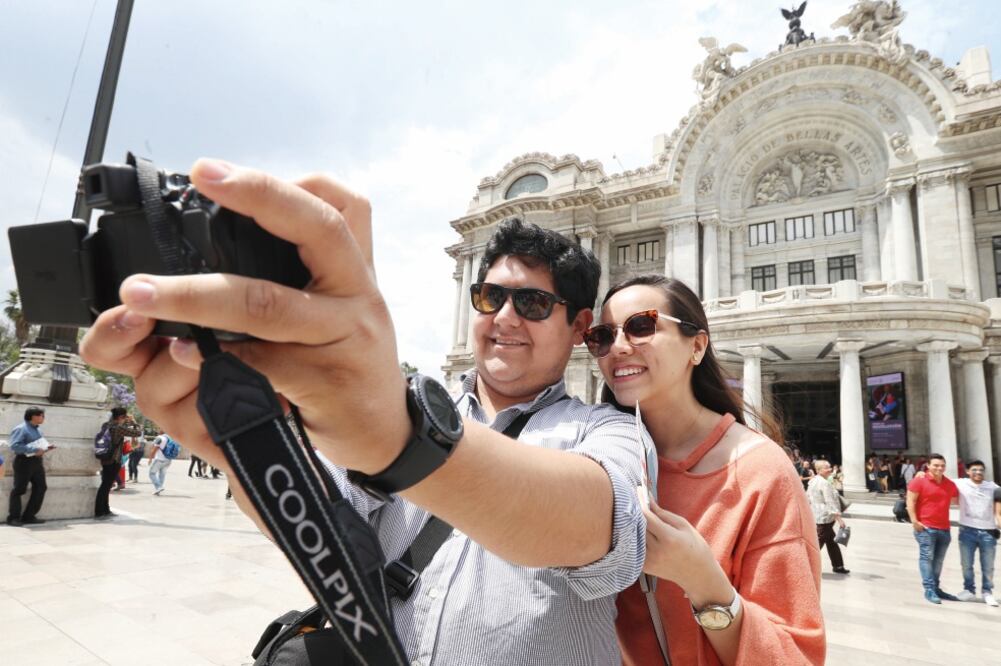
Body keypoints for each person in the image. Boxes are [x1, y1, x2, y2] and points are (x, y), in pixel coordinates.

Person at [78, 174, 647, 666]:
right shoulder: (397, 402)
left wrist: (401, 438)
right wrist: (243, 441)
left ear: (579, 327)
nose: (503, 318)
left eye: (532, 304)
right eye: (488, 296)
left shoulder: (607, 430)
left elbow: (599, 533)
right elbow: (325, 519)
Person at [588, 275, 824, 665]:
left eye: (641, 325)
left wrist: (701, 579)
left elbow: (794, 655)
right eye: (602, 336)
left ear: (696, 346)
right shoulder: (599, 461)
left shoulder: (760, 472)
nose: (619, 348)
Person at [906, 453, 959, 604]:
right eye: (936, 465)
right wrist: (914, 521)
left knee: (938, 561)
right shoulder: (919, 481)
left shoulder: (949, 484)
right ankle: (929, 589)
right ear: (928, 466)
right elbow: (910, 501)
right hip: (926, 528)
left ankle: (936, 587)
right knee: (927, 558)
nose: (939, 468)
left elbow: (958, 499)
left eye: (942, 465)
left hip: (944, 528)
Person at [954, 460, 998, 606]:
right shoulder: (961, 483)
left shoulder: (993, 487)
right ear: (967, 471)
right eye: (974, 470)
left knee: (988, 565)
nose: (978, 472)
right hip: (967, 530)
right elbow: (940, 479)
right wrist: (922, 473)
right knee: (966, 563)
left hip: (988, 532)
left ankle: (987, 591)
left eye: (981, 470)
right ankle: (969, 589)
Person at [6, 406, 53, 526]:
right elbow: (14, 446)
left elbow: (38, 445)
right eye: (41, 415)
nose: (43, 418)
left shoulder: (38, 430)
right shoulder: (21, 429)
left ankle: (29, 516)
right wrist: (34, 449)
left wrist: (45, 448)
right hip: (24, 462)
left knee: (41, 487)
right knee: (19, 489)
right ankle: (13, 518)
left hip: (37, 462)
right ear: (34, 416)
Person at [94, 407, 142, 519]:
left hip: (104, 457)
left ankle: (105, 510)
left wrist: (126, 422)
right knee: (106, 486)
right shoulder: (119, 428)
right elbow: (138, 433)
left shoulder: (106, 425)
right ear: (120, 417)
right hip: (114, 459)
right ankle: (100, 511)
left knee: (105, 485)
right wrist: (134, 422)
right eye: (124, 417)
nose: (125, 419)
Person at [807, 460, 849, 574]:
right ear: (819, 470)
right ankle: (804, 567)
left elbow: (808, 498)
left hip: (819, 516)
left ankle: (838, 565)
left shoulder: (813, 481)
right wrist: (839, 519)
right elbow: (830, 501)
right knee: (817, 544)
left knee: (831, 542)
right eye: (826, 467)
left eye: (829, 466)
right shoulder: (824, 483)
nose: (829, 469)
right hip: (824, 518)